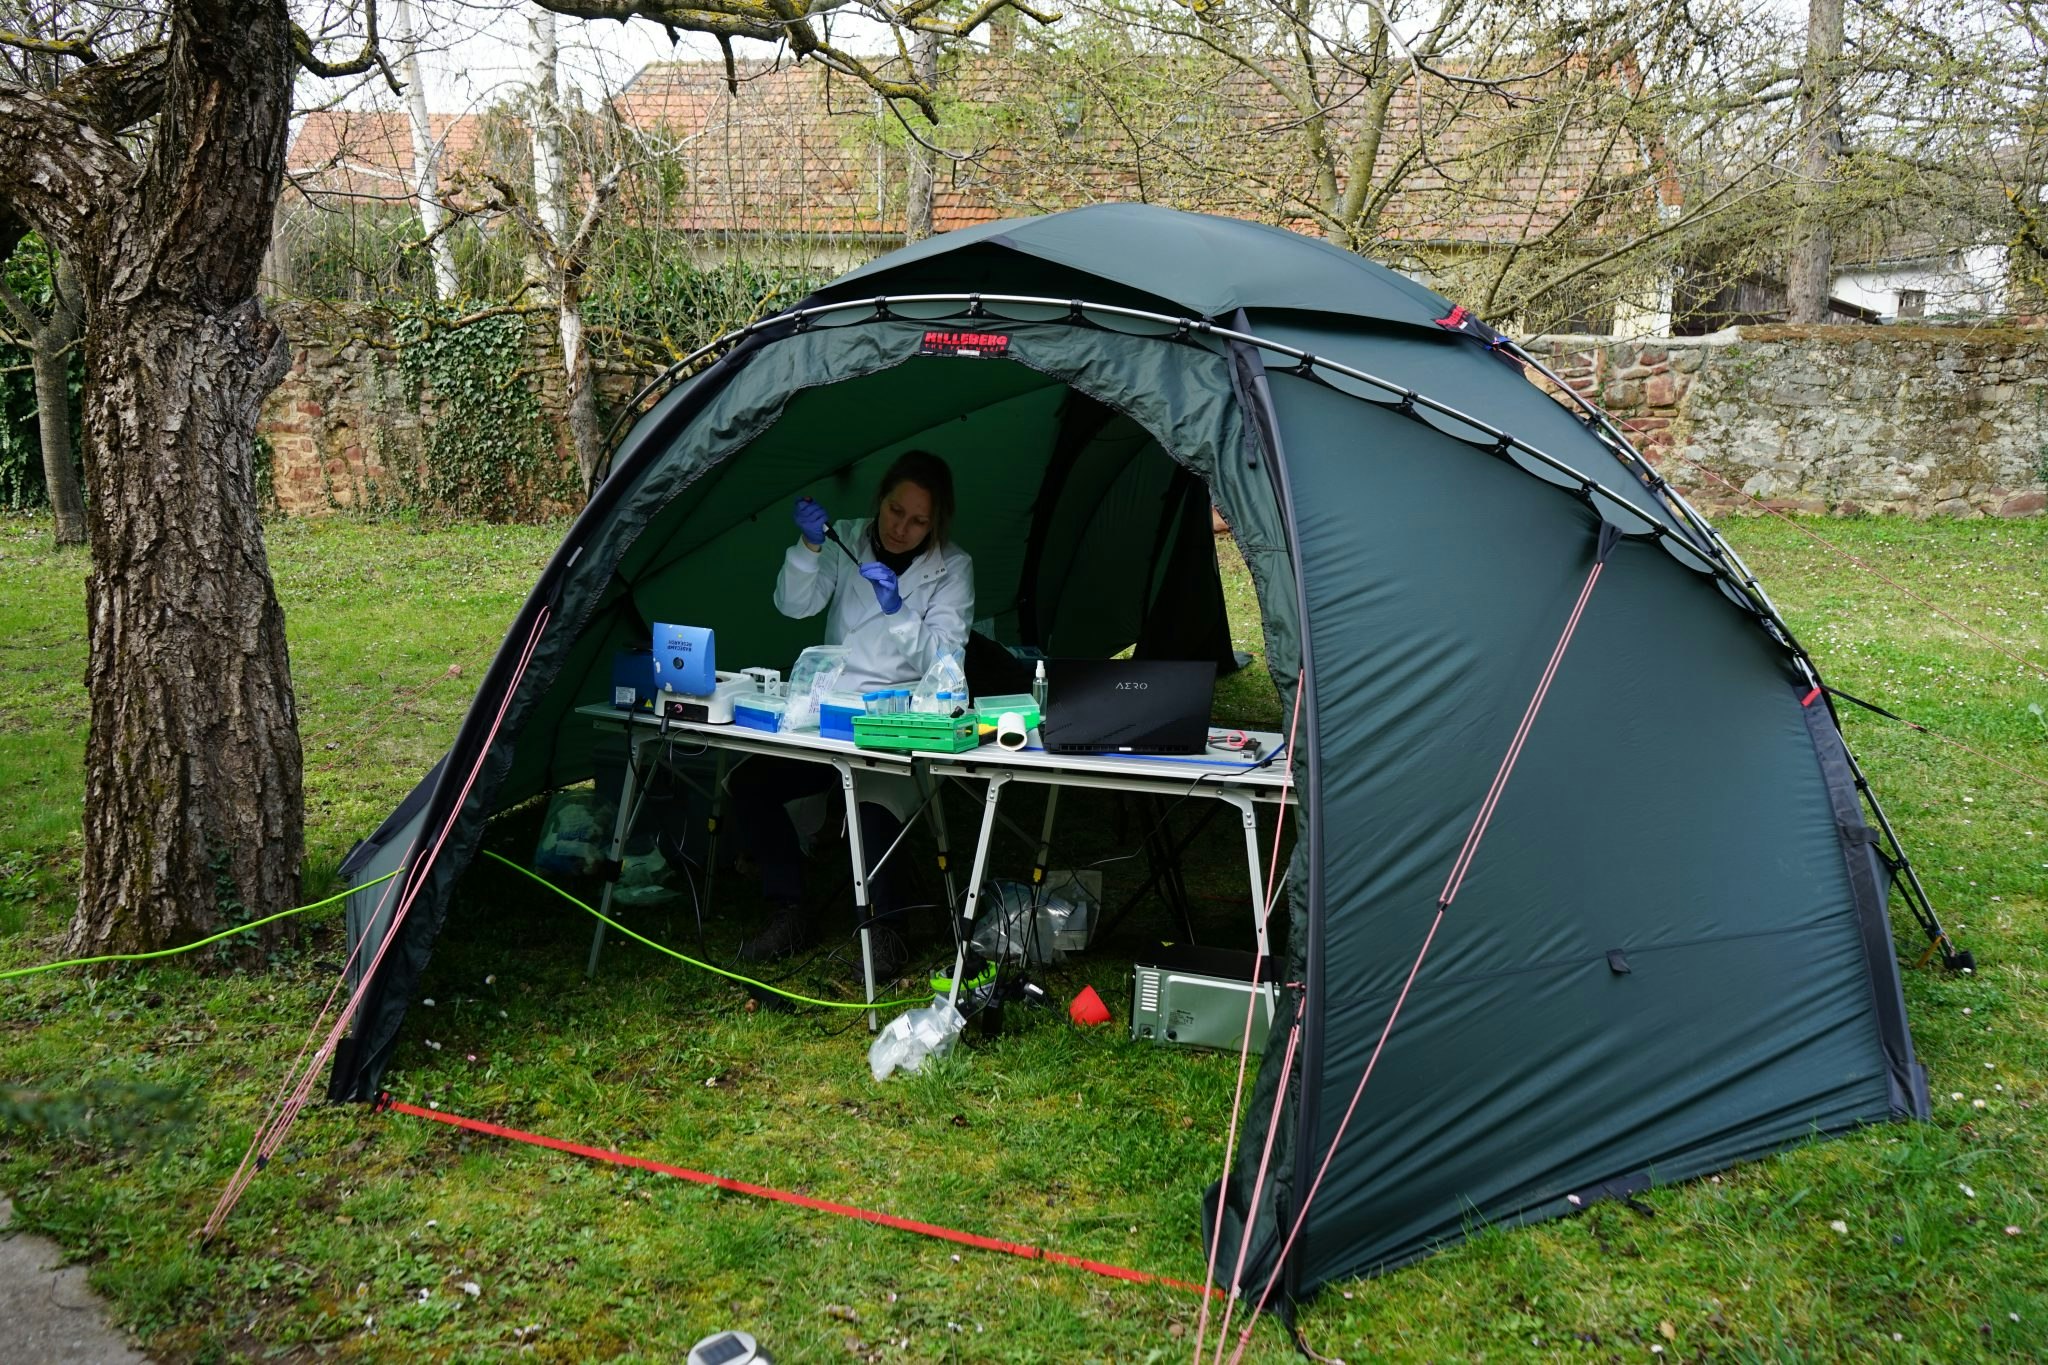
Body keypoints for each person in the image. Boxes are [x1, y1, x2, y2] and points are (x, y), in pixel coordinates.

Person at [729, 451, 974, 973]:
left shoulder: (952, 568)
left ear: (937, 524)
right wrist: (809, 546)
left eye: (918, 521)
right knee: (751, 783)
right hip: (829, 717)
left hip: (900, 723)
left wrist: (899, 612)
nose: (901, 528)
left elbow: (946, 663)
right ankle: (789, 908)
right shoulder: (846, 537)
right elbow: (794, 605)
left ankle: (888, 930)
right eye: (894, 510)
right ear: (879, 500)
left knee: (870, 806)